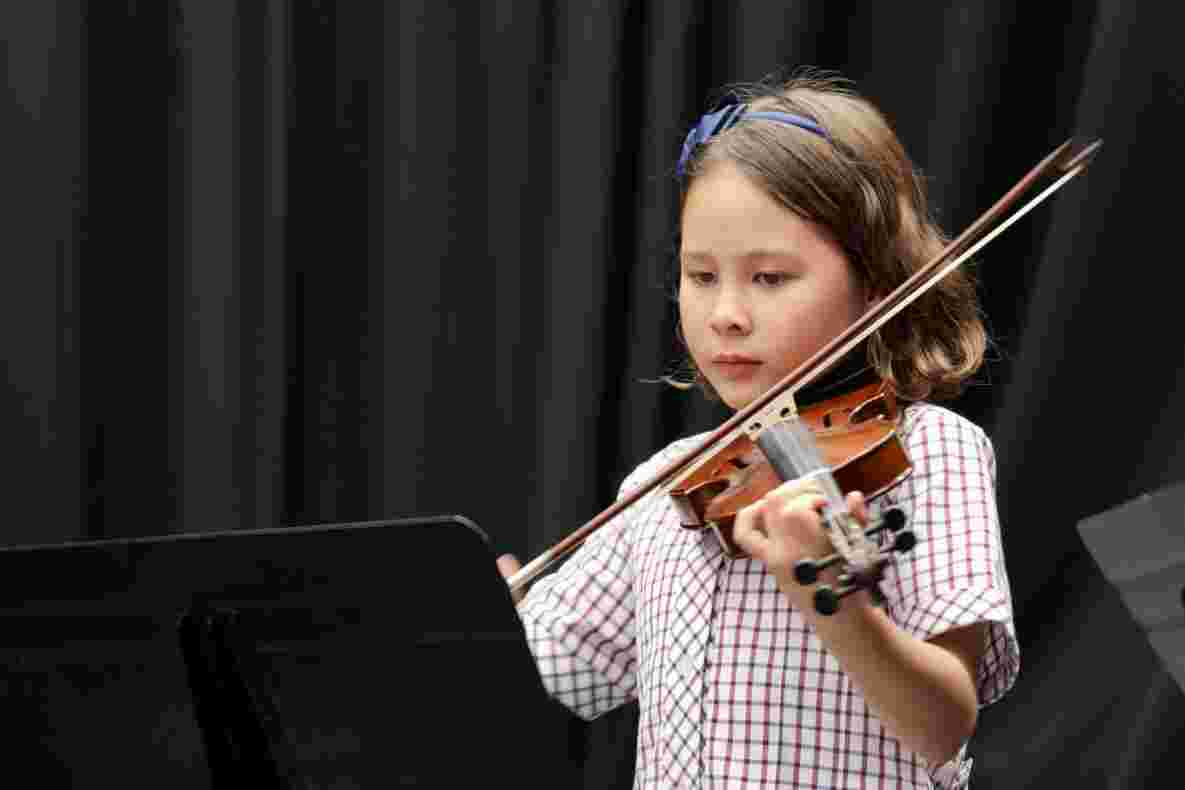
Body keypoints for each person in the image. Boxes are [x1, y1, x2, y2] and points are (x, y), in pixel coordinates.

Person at [497, 69, 1017, 789]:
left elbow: (941, 725)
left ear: (875, 284)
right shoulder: (669, 485)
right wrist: (481, 625)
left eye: (769, 278)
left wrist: (831, 595)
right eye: (700, 276)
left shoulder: (928, 452)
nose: (726, 315)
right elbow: (552, 680)